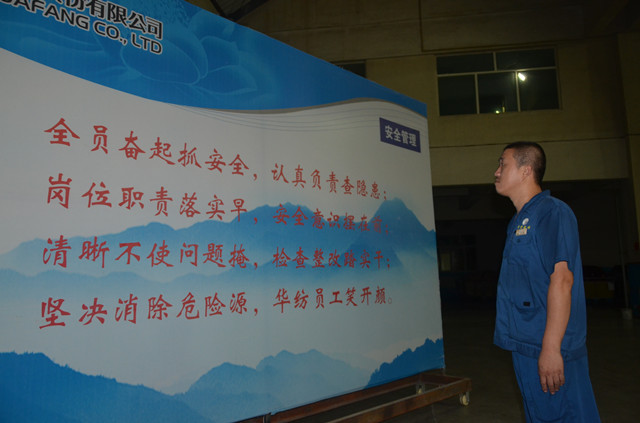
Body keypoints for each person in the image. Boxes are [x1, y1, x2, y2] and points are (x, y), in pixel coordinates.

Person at [493, 142, 600, 422]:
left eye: (503, 164)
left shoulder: (552, 212)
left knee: (567, 415)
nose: (497, 171)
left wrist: (551, 349)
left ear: (526, 170)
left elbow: (562, 280)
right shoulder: (519, 221)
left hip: (550, 346)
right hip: (526, 343)